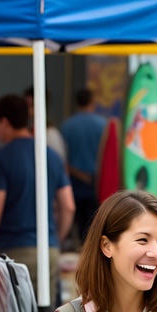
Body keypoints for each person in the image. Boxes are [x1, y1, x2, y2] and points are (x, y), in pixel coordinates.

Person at [0, 93, 75, 305]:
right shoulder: (50, 155)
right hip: (49, 251)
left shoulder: (0, 159)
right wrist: (55, 239)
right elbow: (68, 205)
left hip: (16, 251)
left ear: (4, 122)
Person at [60, 87, 107, 243]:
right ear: (92, 102)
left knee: (80, 227)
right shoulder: (103, 125)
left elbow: (63, 157)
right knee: (98, 225)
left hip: (75, 182)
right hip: (98, 182)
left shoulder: (67, 126)